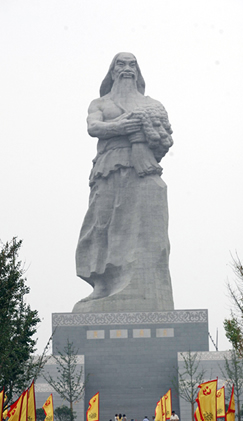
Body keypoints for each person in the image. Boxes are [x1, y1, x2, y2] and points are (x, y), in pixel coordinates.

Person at [73, 52, 174, 314]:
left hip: (141, 170)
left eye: (132, 64)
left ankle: (137, 286)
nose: (127, 68)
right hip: (107, 168)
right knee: (101, 226)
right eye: (121, 63)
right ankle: (103, 286)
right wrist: (124, 126)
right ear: (112, 70)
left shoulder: (151, 104)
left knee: (136, 227)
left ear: (138, 71)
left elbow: (163, 139)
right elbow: (94, 128)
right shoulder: (101, 102)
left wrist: (142, 138)